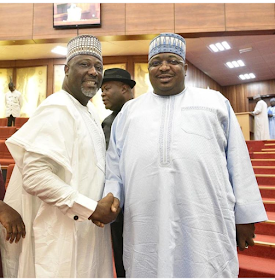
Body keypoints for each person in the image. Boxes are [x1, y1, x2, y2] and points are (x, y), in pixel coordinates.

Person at [97, 33, 267, 277]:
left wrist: (245, 217)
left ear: (185, 68)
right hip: (145, 221)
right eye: (156, 62)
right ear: (149, 70)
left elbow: (238, 162)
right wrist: (111, 198)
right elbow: (114, 167)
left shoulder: (214, 102)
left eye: (172, 60)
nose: (164, 67)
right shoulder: (130, 112)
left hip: (205, 221)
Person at [0, 34, 119, 278]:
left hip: (87, 230)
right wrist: (90, 208)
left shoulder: (87, 111)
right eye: (84, 64)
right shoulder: (57, 107)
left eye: (98, 66)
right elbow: (35, 176)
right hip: (60, 237)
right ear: (66, 69)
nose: (93, 72)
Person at [101, 68, 136, 277]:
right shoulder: (109, 120)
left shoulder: (133, 117)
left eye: (106, 89)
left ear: (124, 88)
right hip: (121, 202)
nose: (102, 94)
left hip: (128, 201)